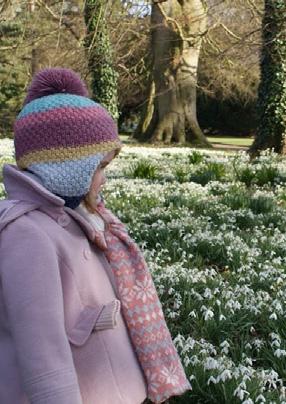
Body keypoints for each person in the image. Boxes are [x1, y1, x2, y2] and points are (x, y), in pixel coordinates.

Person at [0, 68, 191, 403]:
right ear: (67, 166)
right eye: (100, 167)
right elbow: (44, 359)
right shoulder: (27, 235)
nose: (104, 178)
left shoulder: (82, 217)